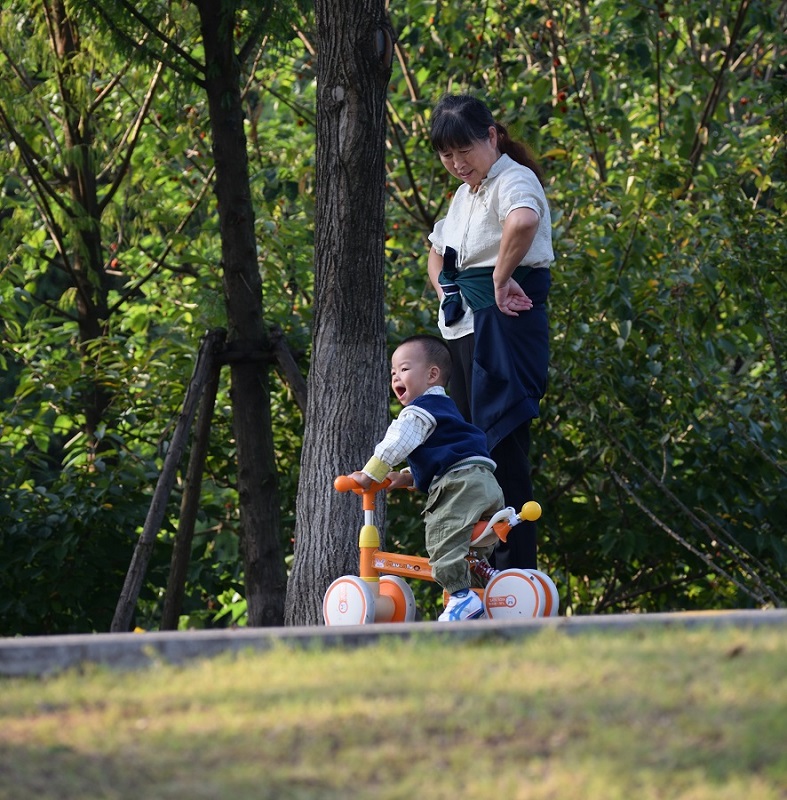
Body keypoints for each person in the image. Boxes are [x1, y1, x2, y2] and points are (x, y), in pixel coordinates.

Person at [426, 93, 554, 571]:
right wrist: (446, 290)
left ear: (493, 136)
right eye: (446, 155)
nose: (457, 164)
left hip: (504, 323)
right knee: (469, 451)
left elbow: (523, 221)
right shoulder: (464, 195)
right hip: (464, 327)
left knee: (501, 447)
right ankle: (481, 567)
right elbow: (437, 250)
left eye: (465, 150)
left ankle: (516, 569)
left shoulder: (513, 180)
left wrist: (499, 278)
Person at [349, 334, 505, 622]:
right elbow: (444, 454)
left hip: (459, 484)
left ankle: (461, 597)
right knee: (468, 548)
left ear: (432, 374)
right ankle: (486, 591)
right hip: (484, 482)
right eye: (393, 372)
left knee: (443, 538)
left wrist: (370, 474)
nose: (396, 376)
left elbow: (397, 442)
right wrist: (407, 477)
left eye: (404, 369)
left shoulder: (417, 412)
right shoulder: (446, 410)